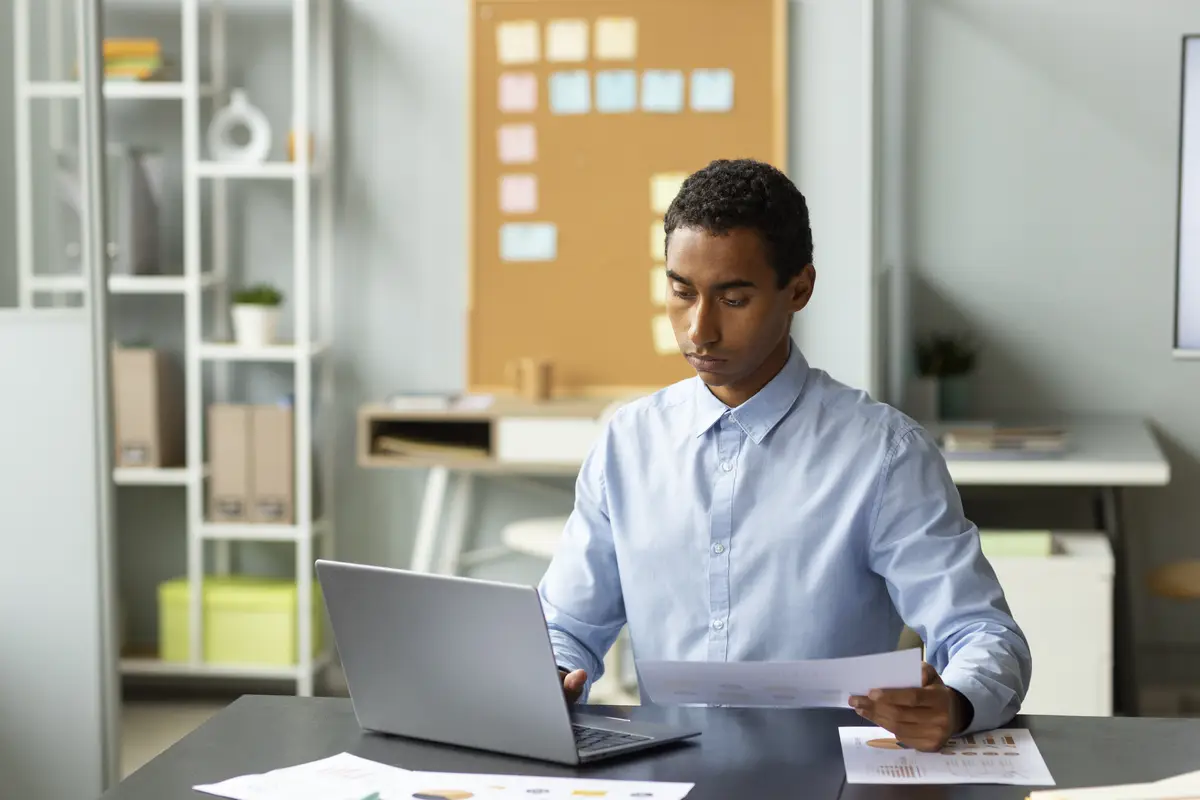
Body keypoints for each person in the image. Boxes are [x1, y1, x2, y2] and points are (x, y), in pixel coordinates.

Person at [537, 158, 1031, 751]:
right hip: (667, 774)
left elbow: (982, 633)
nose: (700, 330)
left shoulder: (884, 454)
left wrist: (953, 703)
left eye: (734, 299)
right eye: (681, 292)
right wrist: (549, 677)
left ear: (799, 288)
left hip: (828, 774)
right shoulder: (627, 443)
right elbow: (565, 627)